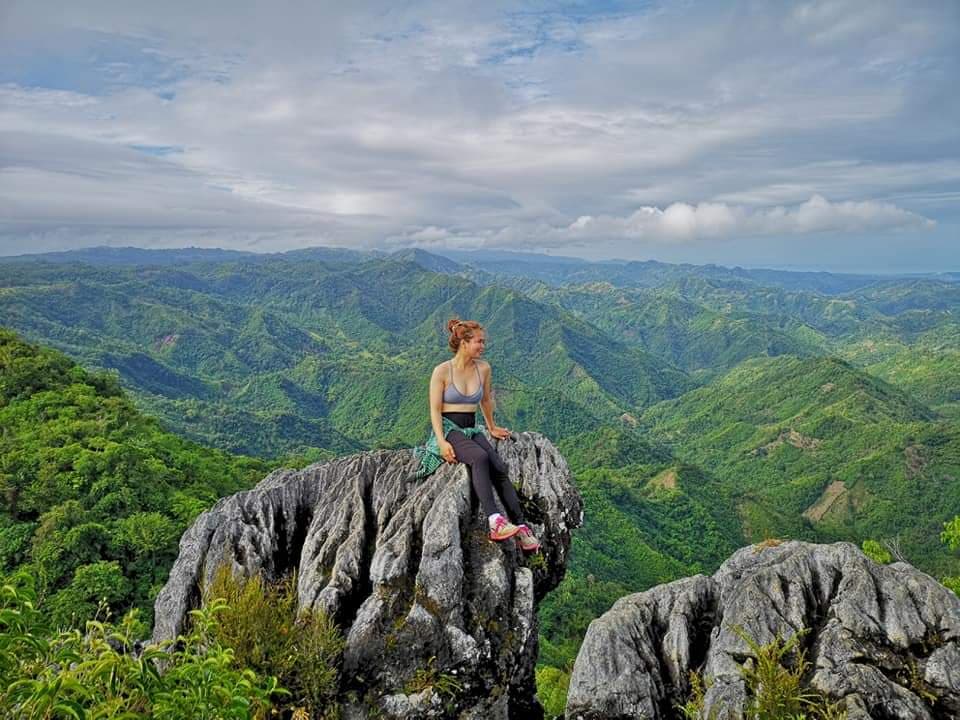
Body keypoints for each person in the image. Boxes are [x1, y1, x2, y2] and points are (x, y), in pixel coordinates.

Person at [422, 318, 540, 551]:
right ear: (464, 343)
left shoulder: (483, 368)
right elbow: (434, 410)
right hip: (448, 428)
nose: (483, 346)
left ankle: (521, 526)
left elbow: (486, 400)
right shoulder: (442, 371)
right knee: (479, 458)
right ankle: (495, 520)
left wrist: (492, 426)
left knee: (498, 467)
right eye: (479, 341)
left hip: (471, 427)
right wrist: (442, 441)